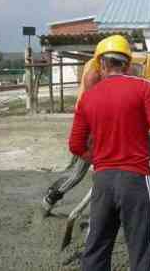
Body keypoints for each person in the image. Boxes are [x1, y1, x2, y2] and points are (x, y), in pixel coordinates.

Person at [69, 34, 150, 271]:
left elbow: (76, 145)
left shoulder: (88, 99)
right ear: (128, 64)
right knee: (142, 251)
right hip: (136, 181)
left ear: (101, 64)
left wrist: (100, 161)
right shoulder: (142, 88)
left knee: (96, 249)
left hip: (102, 181)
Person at [41, 47, 104, 215]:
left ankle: (106, 207)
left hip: (97, 131)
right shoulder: (94, 75)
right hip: (91, 134)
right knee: (79, 174)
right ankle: (52, 197)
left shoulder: (98, 69)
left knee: (105, 173)